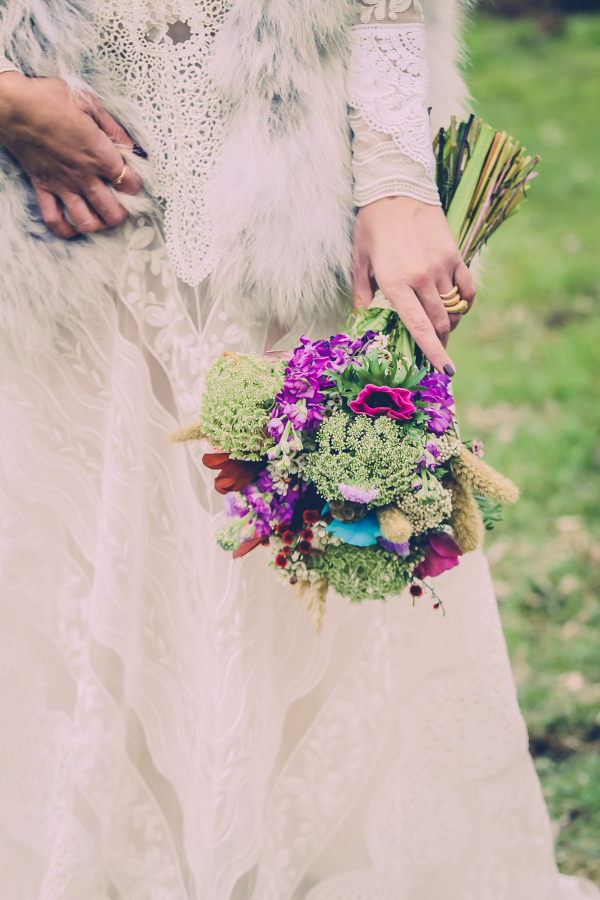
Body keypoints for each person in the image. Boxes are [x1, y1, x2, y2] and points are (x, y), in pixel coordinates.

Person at [0, 1, 596, 897]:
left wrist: (396, 180)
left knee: (308, 558)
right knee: (78, 563)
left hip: (282, 192)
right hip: (57, 220)